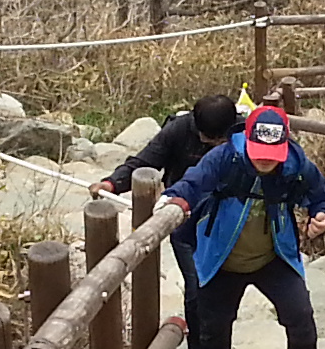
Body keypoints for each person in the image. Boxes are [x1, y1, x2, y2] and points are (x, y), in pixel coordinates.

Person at [166, 101, 325, 349]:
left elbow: (323, 198)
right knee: (214, 324)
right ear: (246, 140)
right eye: (258, 153)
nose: (264, 161)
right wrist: (175, 201)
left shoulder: (296, 165)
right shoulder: (224, 158)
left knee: (300, 316)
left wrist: (323, 217)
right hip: (222, 257)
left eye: (271, 156)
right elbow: (192, 183)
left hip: (274, 256)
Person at [95, 93, 241, 299]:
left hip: (228, 217)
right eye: (209, 139)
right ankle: (196, 330)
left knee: (223, 287)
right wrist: (112, 182)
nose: (213, 144)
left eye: (219, 140)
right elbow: (145, 160)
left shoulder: (243, 133)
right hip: (184, 217)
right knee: (197, 285)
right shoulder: (179, 129)